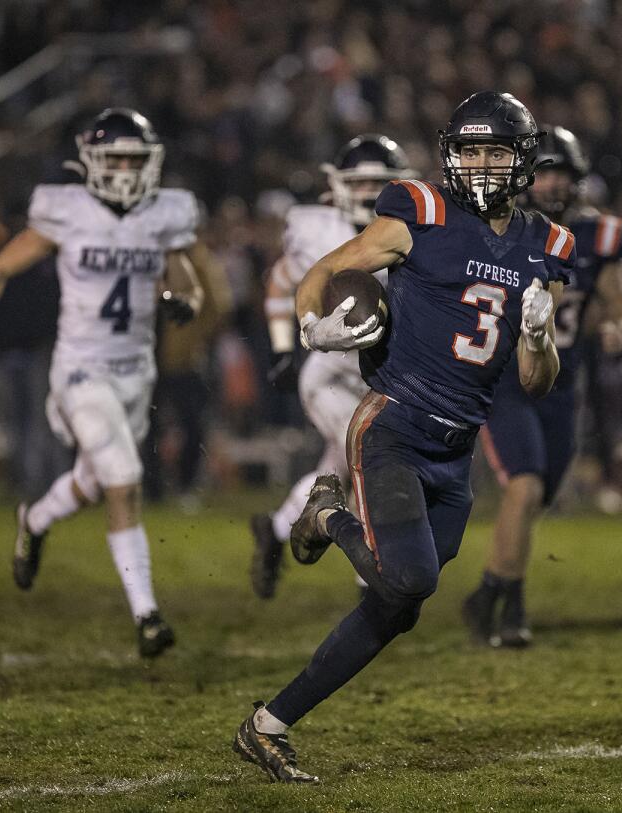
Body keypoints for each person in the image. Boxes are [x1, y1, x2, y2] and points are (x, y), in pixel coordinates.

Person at [230, 91, 573, 783]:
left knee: (399, 606)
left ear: (522, 159)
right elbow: (322, 272)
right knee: (407, 575)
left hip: (458, 448)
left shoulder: (547, 246)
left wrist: (539, 335)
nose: (480, 164)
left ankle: (267, 725)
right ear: (451, 152)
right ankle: (327, 512)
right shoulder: (421, 211)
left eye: (496, 150)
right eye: (470, 149)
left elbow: (537, 382)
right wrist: (310, 328)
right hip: (394, 422)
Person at [0, 108, 203, 658]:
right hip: (79, 370)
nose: (122, 168)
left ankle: (36, 518)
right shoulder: (66, 211)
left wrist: (187, 301)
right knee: (124, 475)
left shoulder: (163, 213)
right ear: (90, 162)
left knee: (96, 482)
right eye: (113, 157)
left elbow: (185, 276)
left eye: (132, 159)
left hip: (136, 372)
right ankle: (146, 613)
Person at [461, 125, 622, 647]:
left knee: (536, 495)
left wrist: (620, 326)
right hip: (507, 378)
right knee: (526, 483)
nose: (552, 183)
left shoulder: (599, 235)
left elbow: (617, 298)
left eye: (561, 172)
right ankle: (508, 606)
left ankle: (491, 592)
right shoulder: (502, 229)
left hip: (562, 381)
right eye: (543, 172)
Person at [249, 133, 413, 598]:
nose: (367, 194)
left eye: (378, 184)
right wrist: (283, 347)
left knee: (337, 467)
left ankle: (277, 529)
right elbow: (281, 281)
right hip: (331, 374)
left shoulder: (408, 229)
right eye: (358, 184)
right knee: (366, 456)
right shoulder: (316, 228)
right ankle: (370, 581)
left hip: (382, 376)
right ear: (336, 186)